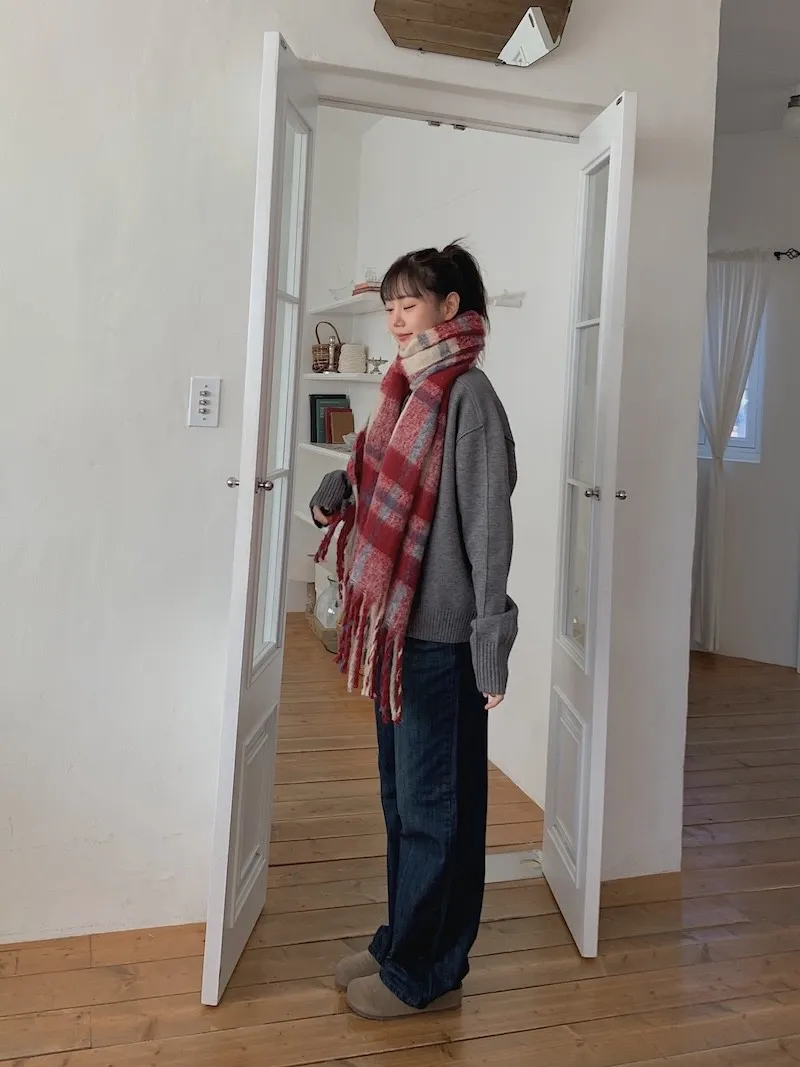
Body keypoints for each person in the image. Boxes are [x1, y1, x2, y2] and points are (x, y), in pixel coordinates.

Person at [310, 242, 517, 1021]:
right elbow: (371, 471)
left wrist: (491, 642)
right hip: (396, 634)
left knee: (439, 813)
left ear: (450, 309)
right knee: (404, 804)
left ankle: (428, 970)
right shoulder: (403, 387)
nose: (397, 318)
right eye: (390, 305)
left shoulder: (468, 396)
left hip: (443, 639)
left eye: (410, 303)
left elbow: (489, 530)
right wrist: (340, 487)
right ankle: (403, 939)